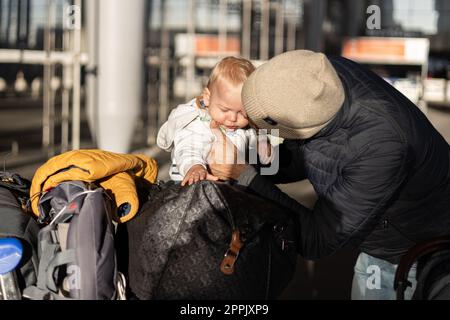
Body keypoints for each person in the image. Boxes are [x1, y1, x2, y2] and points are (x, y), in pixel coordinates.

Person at [207, 50, 450, 300]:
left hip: (410, 256)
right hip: (380, 236)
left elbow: (316, 240)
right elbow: (307, 154)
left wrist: (244, 174)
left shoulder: (382, 147)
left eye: (261, 126)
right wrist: (246, 161)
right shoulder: (317, 74)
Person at [157, 56, 272, 186]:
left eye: (242, 113)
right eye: (224, 110)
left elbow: (260, 149)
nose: (233, 118)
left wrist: (264, 146)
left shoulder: (246, 128)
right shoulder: (199, 122)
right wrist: (194, 167)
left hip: (229, 190)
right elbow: (187, 149)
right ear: (207, 98)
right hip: (192, 187)